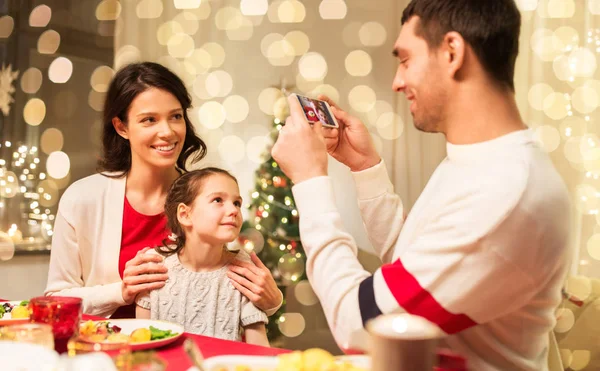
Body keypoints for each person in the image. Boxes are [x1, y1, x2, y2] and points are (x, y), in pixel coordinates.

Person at [271, 0, 571, 370]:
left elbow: (361, 325)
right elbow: (414, 269)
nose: (397, 82)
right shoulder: (479, 161)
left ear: (452, 52)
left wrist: (310, 182)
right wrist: (365, 168)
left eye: (405, 60)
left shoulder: (504, 191)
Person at [45, 62, 282, 319]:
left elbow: (227, 291)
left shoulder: (208, 198)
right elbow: (56, 301)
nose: (167, 132)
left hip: (187, 353)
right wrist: (121, 291)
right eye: (149, 120)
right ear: (121, 127)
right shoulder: (82, 199)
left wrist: (272, 301)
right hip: (103, 352)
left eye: (176, 116)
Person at [135, 168, 269, 346]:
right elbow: (141, 342)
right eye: (218, 200)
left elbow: (259, 348)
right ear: (185, 214)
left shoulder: (243, 269)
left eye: (237, 203)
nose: (233, 210)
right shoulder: (154, 265)